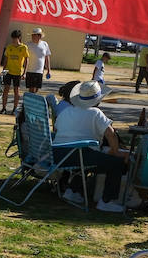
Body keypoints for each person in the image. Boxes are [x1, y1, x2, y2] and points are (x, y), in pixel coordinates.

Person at [54, 80, 129, 213]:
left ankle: (73, 191)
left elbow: (58, 130)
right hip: (78, 154)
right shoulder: (95, 112)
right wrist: (115, 151)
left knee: (86, 158)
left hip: (58, 154)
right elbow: (111, 134)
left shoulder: (66, 111)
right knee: (116, 163)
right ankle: (106, 201)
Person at [0, 29, 29, 113]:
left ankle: (15, 109)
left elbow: (27, 60)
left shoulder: (23, 47)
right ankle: (3, 108)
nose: (13, 40)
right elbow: (6, 58)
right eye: (12, 38)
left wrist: (24, 73)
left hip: (18, 72)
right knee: (6, 90)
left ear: (19, 38)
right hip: (8, 71)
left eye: (15, 38)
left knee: (16, 90)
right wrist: (3, 70)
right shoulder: (9, 47)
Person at [25, 27, 51, 92]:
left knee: (36, 89)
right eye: (32, 35)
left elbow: (47, 57)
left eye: (34, 35)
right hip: (30, 70)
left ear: (39, 36)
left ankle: (33, 101)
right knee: (31, 89)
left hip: (39, 71)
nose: (32, 36)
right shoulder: (28, 44)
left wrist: (48, 70)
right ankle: (30, 101)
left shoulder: (45, 44)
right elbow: (25, 57)